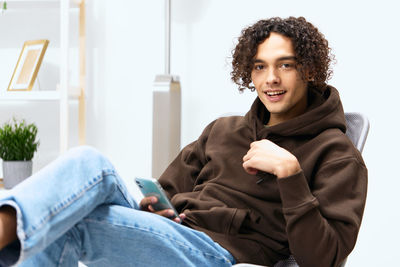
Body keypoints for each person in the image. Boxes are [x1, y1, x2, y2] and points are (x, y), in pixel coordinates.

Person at [0, 16, 367, 267]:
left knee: (64, 224)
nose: (270, 78)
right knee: (87, 161)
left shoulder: (336, 153)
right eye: (259, 66)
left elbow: (323, 259)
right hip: (174, 232)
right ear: (248, 72)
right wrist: (154, 206)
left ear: (310, 70)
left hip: (216, 252)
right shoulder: (222, 130)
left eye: (285, 65)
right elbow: (165, 192)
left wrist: (290, 174)